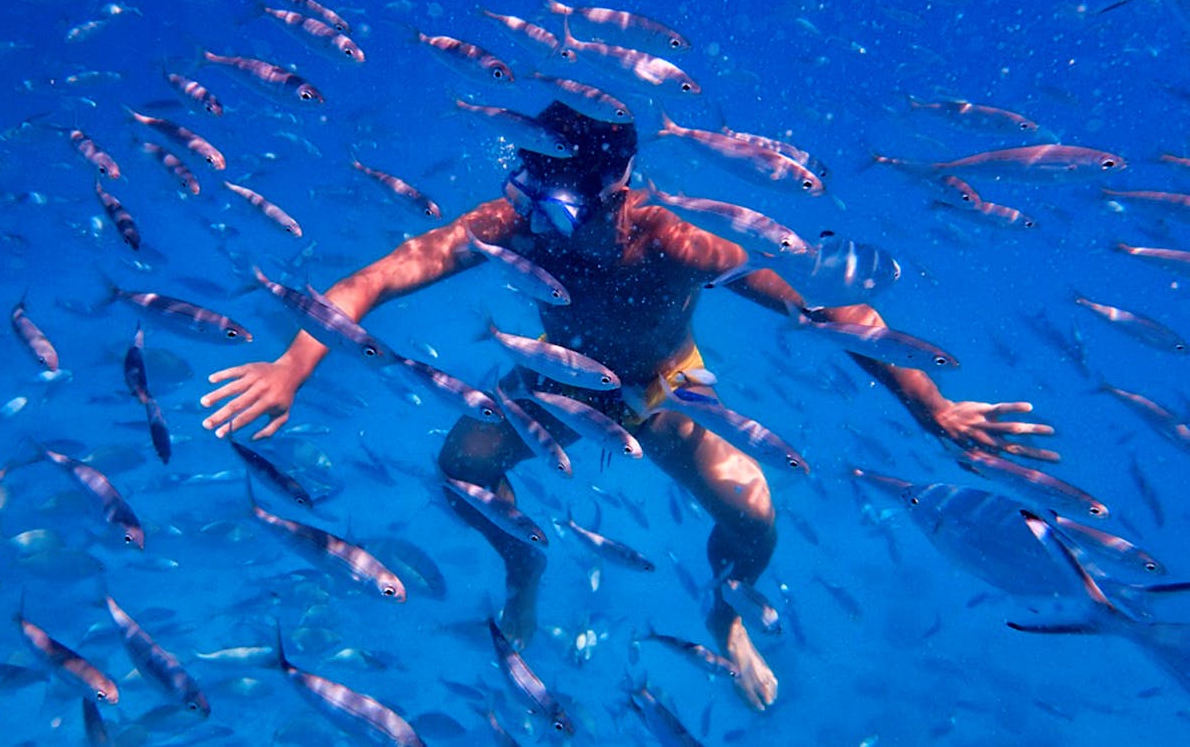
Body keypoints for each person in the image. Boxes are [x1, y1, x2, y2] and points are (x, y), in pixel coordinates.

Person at [199, 101, 1058, 710]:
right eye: (525, 192)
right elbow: (379, 275)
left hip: (665, 389)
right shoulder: (509, 223)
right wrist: (294, 360)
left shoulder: (681, 241)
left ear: (613, 190)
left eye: (555, 202)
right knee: (458, 468)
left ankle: (723, 617)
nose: (532, 218)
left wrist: (930, 403)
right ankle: (524, 567)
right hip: (553, 385)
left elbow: (832, 317)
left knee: (754, 515)